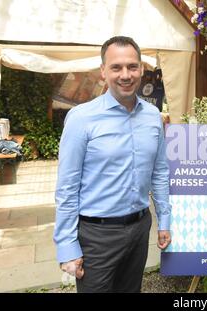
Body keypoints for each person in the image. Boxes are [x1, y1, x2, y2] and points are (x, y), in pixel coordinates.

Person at [54, 36, 171, 293]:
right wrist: (66, 246)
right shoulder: (81, 118)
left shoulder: (153, 117)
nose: (125, 75)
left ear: (142, 69)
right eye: (116, 67)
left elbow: (160, 172)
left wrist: (164, 220)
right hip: (97, 236)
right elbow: (67, 187)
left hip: (140, 229)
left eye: (132, 66)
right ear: (103, 72)